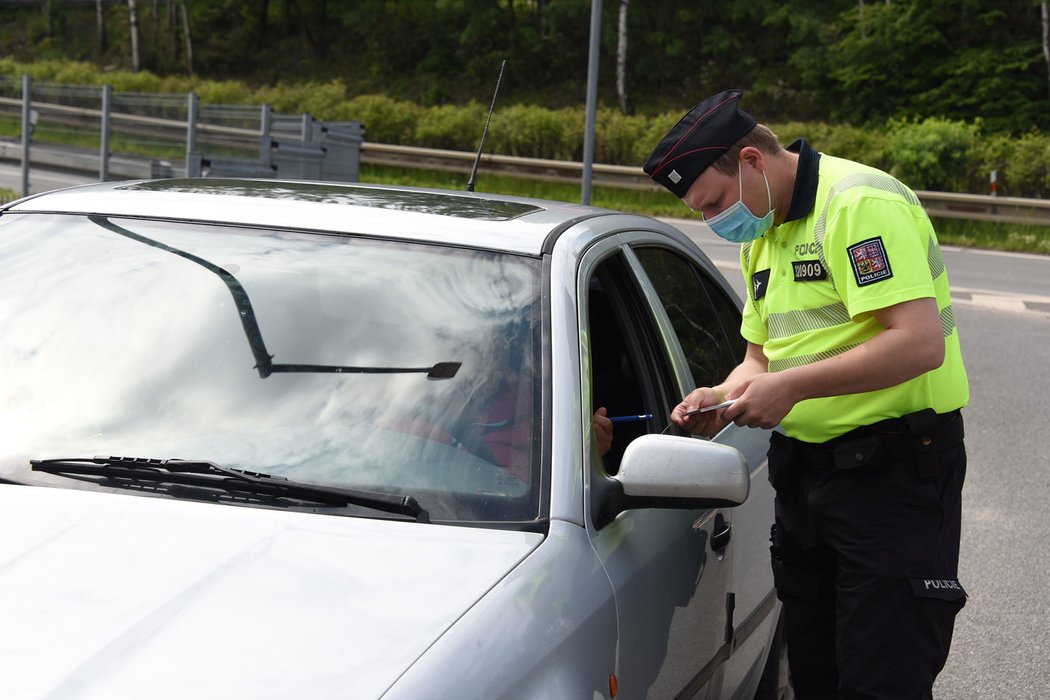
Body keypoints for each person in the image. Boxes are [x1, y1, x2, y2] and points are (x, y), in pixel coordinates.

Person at [645, 89, 969, 699]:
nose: (715, 221)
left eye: (714, 202)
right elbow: (760, 358)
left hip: (893, 476)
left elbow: (919, 343)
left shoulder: (857, 206)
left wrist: (789, 388)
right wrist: (719, 397)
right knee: (814, 678)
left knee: (882, 682)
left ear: (750, 161)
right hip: (807, 481)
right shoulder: (761, 234)